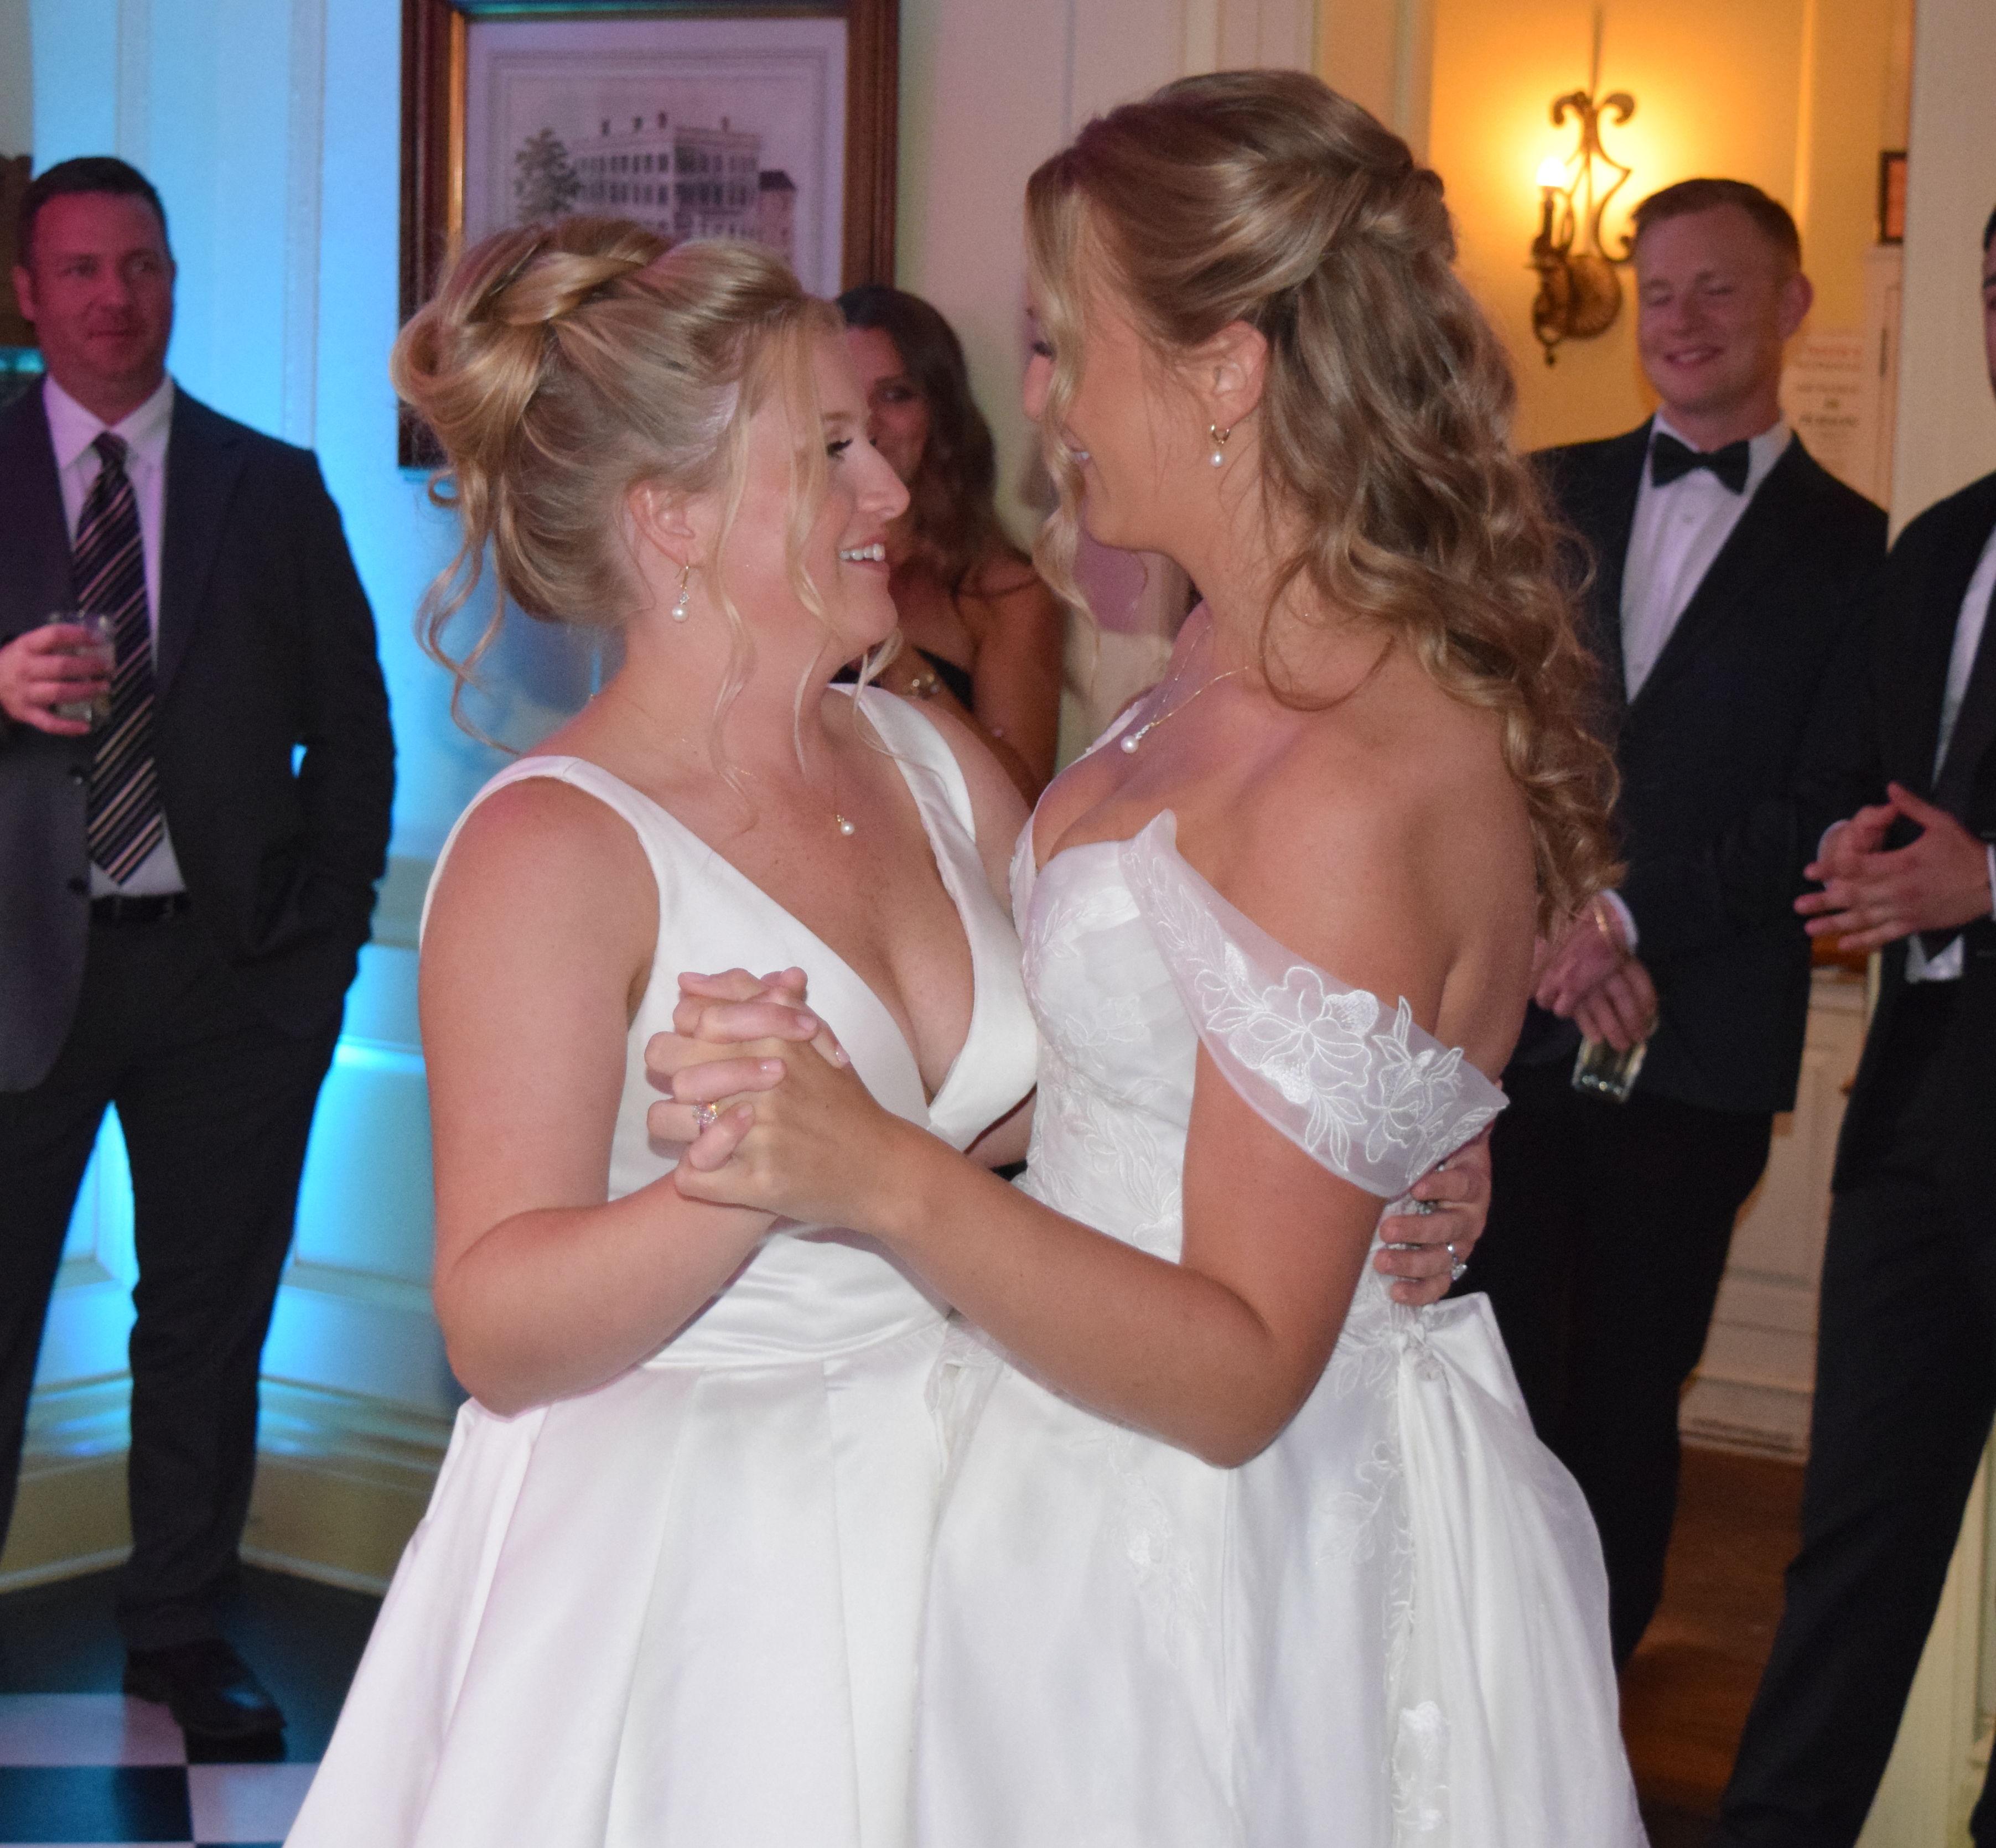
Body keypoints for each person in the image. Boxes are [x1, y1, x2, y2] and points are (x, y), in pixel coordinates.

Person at [286, 216, 1483, 1847]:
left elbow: (1113, 1075)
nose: (891, 493)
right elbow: (493, 1325)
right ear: (672, 518)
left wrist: (1374, 1143)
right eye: (829, 452)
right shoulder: (553, 847)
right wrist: (742, 1183)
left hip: (989, 1502)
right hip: (693, 1560)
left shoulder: (928, 761)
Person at [659, 72, 1646, 1843]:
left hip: (1208, 1543)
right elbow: (1172, 1067)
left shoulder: (1341, 774)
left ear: (1223, 370)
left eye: (1061, 342)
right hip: (1062, 1445)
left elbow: (1241, 1367)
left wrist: (878, 1172)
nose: (1036, 399)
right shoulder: (1213, 658)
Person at [1469, 177, 1889, 1664]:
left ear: (1789, 306)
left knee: (1627, 1386)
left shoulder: (1860, 549)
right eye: (1658, 292)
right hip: (1514, 1015)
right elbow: (1475, 733)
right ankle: (1482, 1669)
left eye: (1717, 288)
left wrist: (1626, 921)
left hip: (1699, 1038)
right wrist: (1553, 922)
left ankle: (1586, 1688)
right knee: (1488, 1366)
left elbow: (1822, 799)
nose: (1681, 319)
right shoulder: (1534, 494)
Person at [0, 157, 392, 1745]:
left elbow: (356, 740)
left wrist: (318, 965)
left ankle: (177, 1623)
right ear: (27, 293)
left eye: (142, 265)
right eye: (81, 269)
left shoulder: (270, 484)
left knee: (207, 1324)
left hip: (231, 984)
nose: (116, 297)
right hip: (16, 977)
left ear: (174, 278)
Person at [1714, 206, 1996, 1848]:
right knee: (1853, 1540)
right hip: (1909, 1113)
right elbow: (1874, 781)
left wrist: (1989, 881)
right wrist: (1854, 854)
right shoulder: (1940, 544)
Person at [836, 283, 1064, 801]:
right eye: (846, 393)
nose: (869, 423)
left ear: (939, 414)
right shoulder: (782, 563)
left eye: (894, 395)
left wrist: (895, 660)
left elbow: (1022, 802)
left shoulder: (1004, 593)